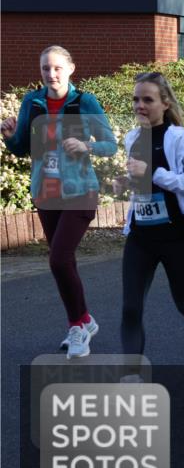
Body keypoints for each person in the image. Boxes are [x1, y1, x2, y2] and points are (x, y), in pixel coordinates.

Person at [2, 46, 117, 359]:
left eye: (56, 68)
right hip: (46, 192)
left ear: (70, 69)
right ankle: (83, 323)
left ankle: (79, 324)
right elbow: (22, 147)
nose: (51, 74)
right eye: (45, 68)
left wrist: (85, 145)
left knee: (58, 259)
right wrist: (10, 136)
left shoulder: (84, 102)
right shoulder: (32, 102)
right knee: (64, 262)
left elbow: (110, 145)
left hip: (80, 191)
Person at [121, 72, 184, 392]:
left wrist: (152, 171)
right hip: (141, 236)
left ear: (164, 103)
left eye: (147, 99)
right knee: (131, 306)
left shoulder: (179, 138)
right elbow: (143, 187)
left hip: (177, 236)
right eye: (136, 99)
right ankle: (132, 376)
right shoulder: (132, 139)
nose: (140, 105)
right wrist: (126, 183)